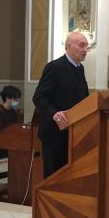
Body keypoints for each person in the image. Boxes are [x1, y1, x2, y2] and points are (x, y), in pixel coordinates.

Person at [33, 31, 89, 178]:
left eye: (87, 46)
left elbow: (83, 99)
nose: (85, 50)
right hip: (55, 135)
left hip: (74, 134)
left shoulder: (80, 69)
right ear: (68, 47)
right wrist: (54, 114)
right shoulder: (54, 67)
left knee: (69, 177)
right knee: (55, 177)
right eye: (81, 45)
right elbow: (39, 97)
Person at [0, 85, 21, 150]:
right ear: (7, 98)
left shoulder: (13, 112)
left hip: (10, 144)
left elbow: (15, 127)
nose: (17, 101)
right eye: (15, 98)